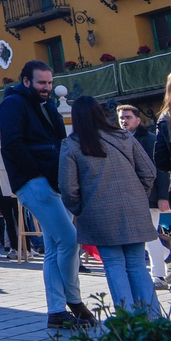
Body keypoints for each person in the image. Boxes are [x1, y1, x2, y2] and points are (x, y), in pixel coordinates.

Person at [0, 61, 90, 329]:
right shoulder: (13, 104)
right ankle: (73, 302)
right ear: (26, 81)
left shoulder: (47, 105)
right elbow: (11, 144)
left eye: (49, 83)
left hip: (51, 181)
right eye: (41, 83)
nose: (47, 88)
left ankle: (56, 312)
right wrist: (37, 173)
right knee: (70, 240)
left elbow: (61, 142)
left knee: (54, 248)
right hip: (36, 182)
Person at [60, 95, 162, 318]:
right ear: (100, 112)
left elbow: (68, 188)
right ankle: (153, 321)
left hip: (99, 212)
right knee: (137, 264)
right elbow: (149, 171)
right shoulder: (124, 136)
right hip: (134, 208)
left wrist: (80, 209)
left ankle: (127, 321)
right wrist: (137, 195)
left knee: (114, 265)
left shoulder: (72, 144)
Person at [118, 104, 169, 286]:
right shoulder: (120, 140)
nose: (124, 121)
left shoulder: (149, 139)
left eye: (128, 117)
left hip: (151, 196)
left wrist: (163, 196)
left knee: (148, 235)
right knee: (145, 236)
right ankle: (165, 256)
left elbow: (161, 169)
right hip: (132, 197)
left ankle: (159, 276)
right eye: (122, 118)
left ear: (138, 120)